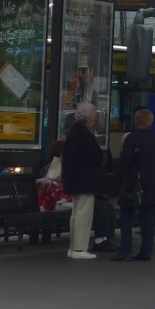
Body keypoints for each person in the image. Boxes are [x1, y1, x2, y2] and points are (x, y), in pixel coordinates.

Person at [112, 107, 155, 262]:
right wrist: (153, 177)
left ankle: (125, 250)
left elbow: (125, 163)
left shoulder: (132, 138)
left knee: (126, 215)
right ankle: (146, 251)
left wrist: (119, 180)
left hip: (132, 184)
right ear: (150, 121)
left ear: (136, 121)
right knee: (147, 217)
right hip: (150, 185)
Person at [61, 103, 104, 260]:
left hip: (73, 180)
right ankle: (79, 249)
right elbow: (97, 157)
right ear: (89, 120)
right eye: (94, 119)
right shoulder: (86, 135)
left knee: (75, 214)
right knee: (84, 215)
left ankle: (73, 247)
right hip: (85, 181)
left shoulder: (72, 133)